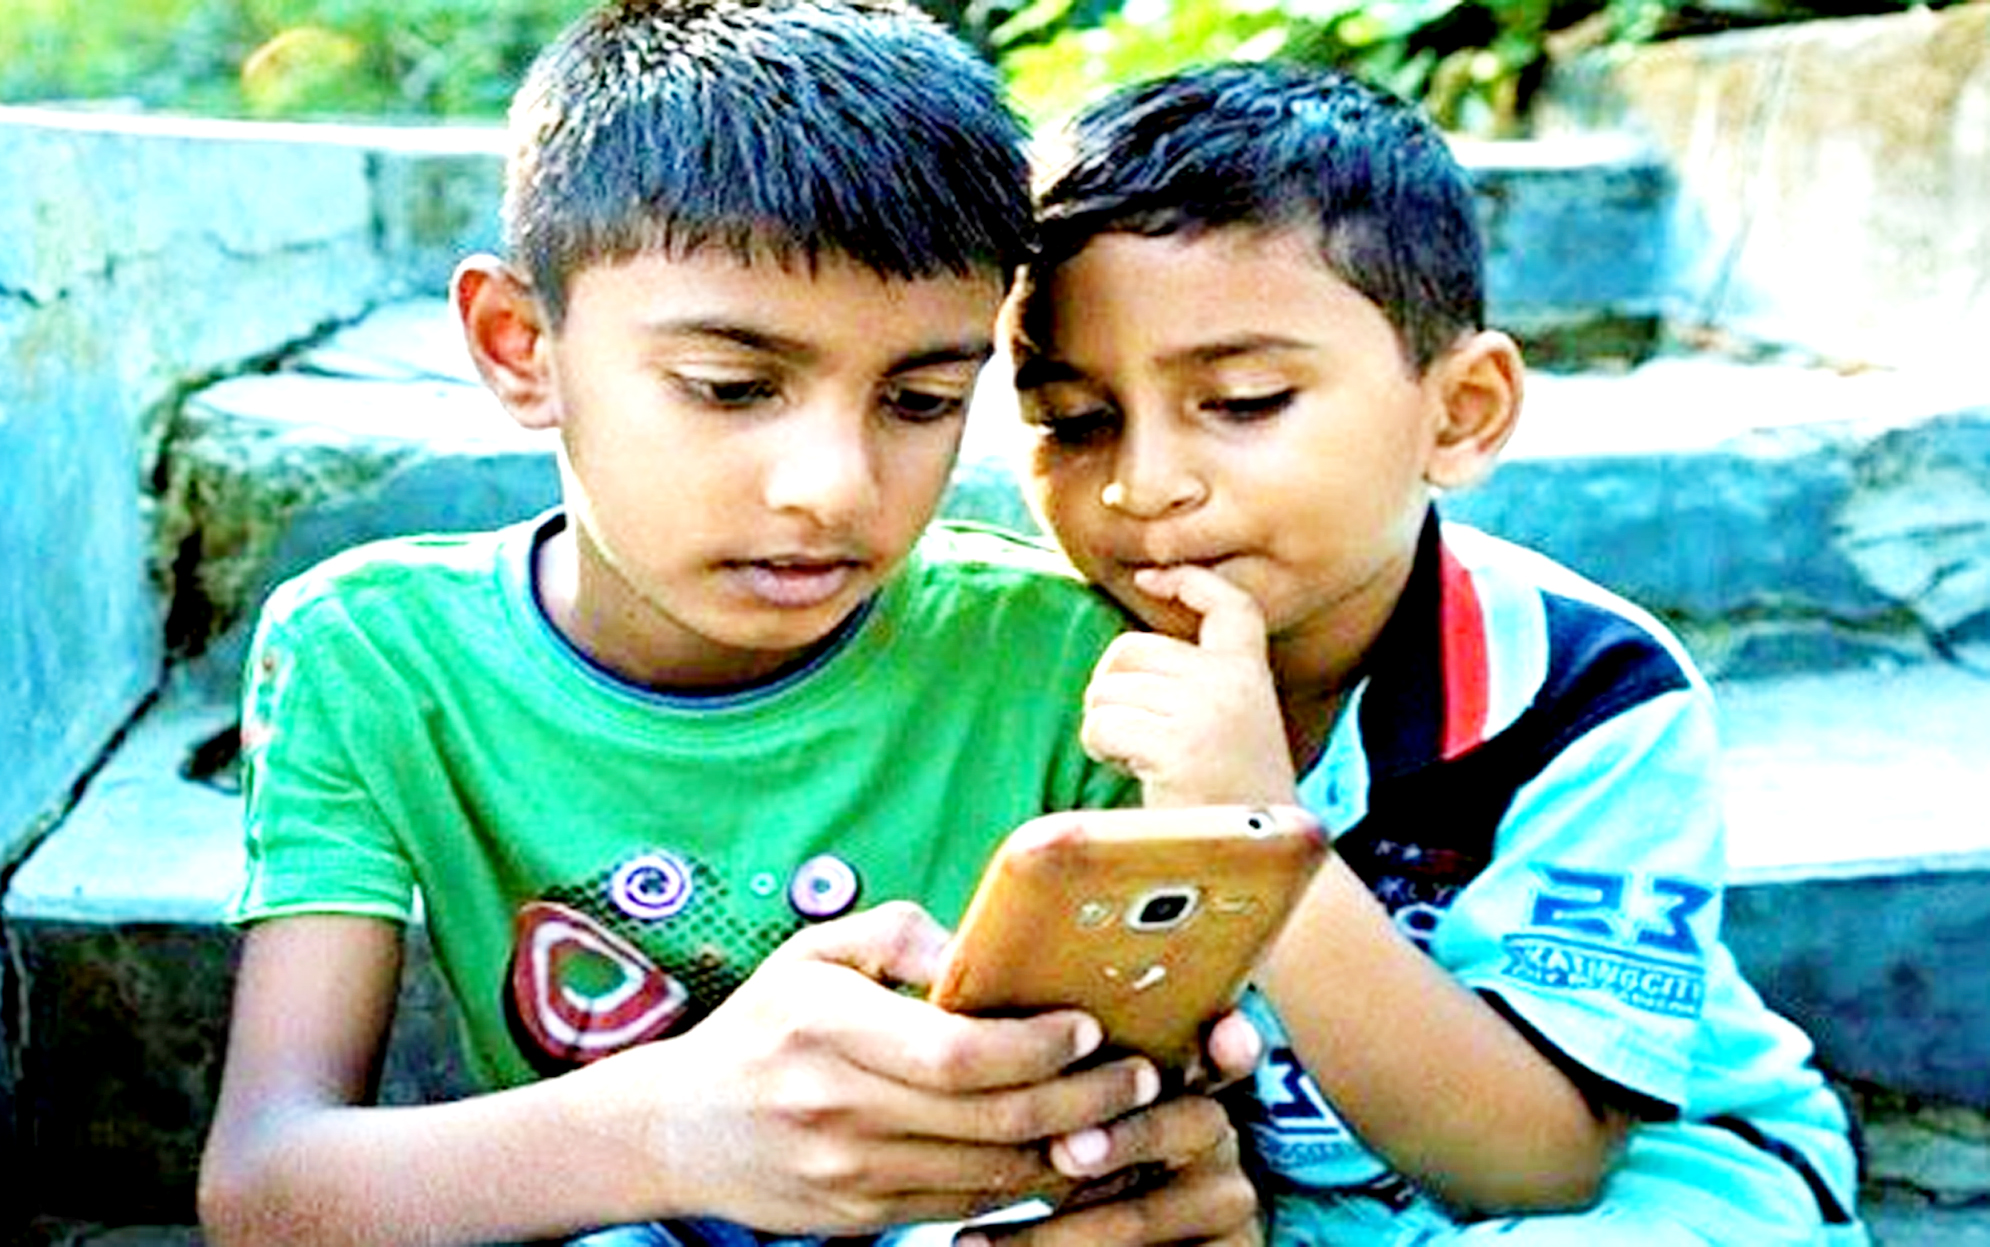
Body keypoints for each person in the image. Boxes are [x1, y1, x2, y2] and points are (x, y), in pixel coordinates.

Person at [195, 4, 1266, 1244]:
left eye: (921, 399)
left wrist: (1141, 1162)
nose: (833, 488)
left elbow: (1152, 1127)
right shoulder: (374, 657)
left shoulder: (1065, 663)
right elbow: (263, 1187)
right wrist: (668, 1130)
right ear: (519, 345)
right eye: (733, 386)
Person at [1003, 61, 1868, 1245]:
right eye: (1072, 420)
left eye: (1244, 399)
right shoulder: (1029, 662)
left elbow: (1542, 1164)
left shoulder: (1587, 692)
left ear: (1460, 412)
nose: (1144, 484)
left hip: (1637, 1178)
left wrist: (1253, 831)